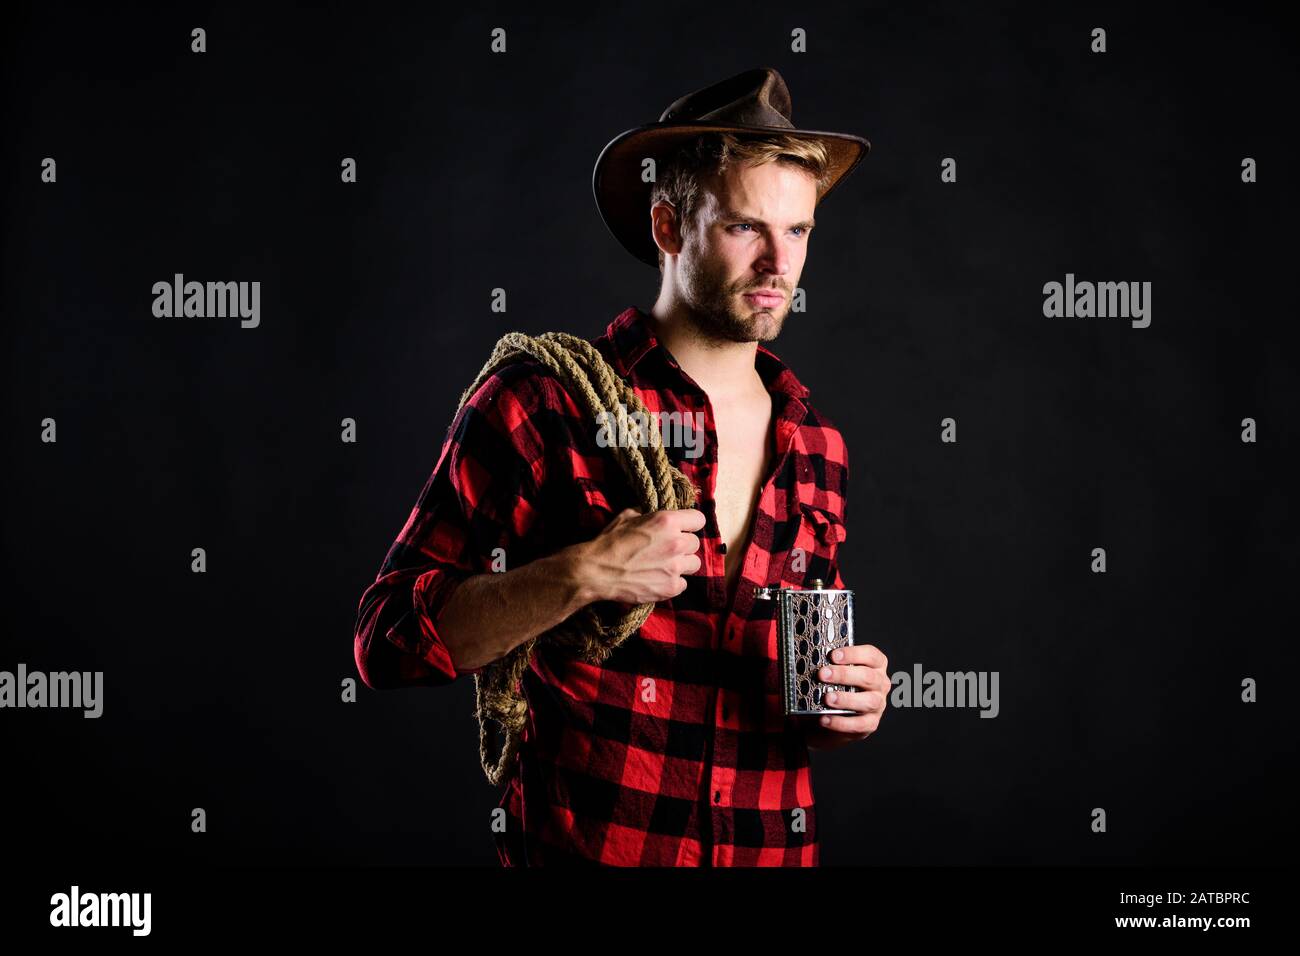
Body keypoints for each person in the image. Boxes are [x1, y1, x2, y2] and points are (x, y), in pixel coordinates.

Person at [353, 66, 889, 865]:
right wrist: (579, 574)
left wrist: (847, 708)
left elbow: (779, 702)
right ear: (669, 228)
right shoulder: (542, 401)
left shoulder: (817, 441)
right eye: (746, 228)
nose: (780, 263)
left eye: (800, 231)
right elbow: (385, 640)